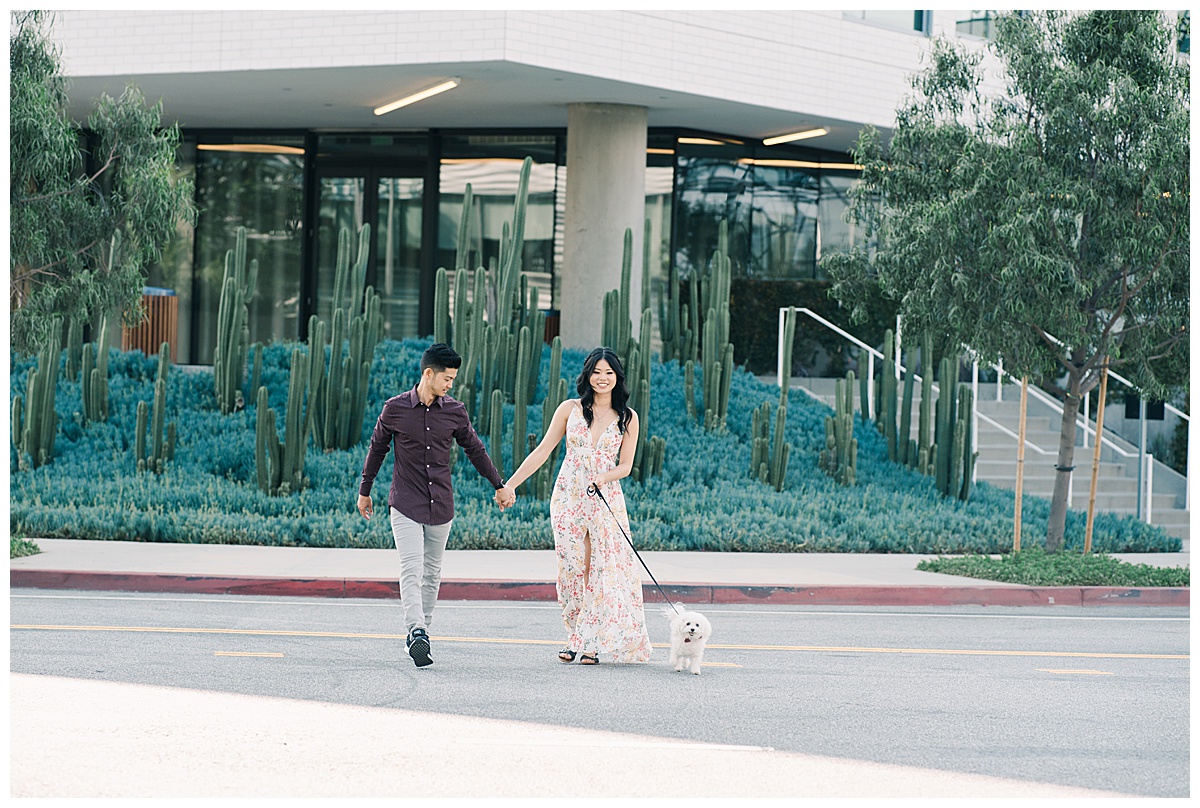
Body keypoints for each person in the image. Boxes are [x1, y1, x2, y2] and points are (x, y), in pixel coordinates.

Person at [358, 342, 515, 668]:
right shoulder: (395, 409)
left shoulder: (454, 411)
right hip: (405, 503)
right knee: (411, 568)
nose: (449, 385)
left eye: (453, 381)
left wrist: (499, 485)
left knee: (432, 573)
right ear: (428, 373)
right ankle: (415, 630)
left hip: (441, 504)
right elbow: (377, 448)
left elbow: (475, 449)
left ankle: (422, 631)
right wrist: (365, 490)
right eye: (446, 378)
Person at [500, 347, 652, 665]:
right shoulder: (570, 409)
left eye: (609, 372)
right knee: (571, 568)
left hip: (604, 498)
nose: (602, 378)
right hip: (568, 496)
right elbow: (543, 451)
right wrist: (511, 484)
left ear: (617, 377)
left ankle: (589, 643)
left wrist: (602, 477)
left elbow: (626, 466)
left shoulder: (628, 417)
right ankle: (575, 633)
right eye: (597, 372)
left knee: (596, 569)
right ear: (588, 375)